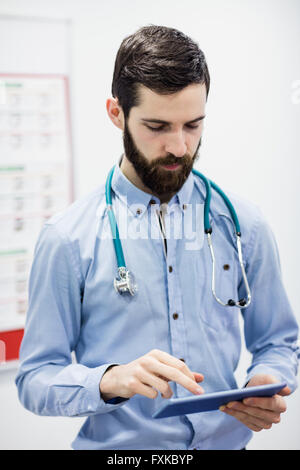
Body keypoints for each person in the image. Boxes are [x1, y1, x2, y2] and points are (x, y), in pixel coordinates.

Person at [15, 25, 299, 451]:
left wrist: (268, 380)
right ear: (116, 113)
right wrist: (110, 380)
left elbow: (278, 342)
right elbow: (35, 378)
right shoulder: (67, 239)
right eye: (157, 126)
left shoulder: (244, 225)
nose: (180, 147)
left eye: (193, 125)